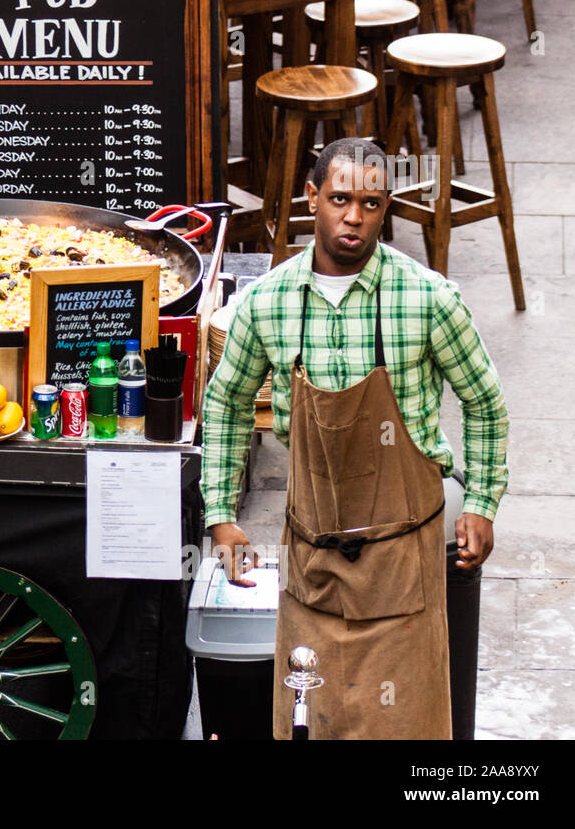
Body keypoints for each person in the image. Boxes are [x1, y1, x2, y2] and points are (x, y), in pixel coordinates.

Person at [201, 137, 510, 739]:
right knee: (312, 721)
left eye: (371, 203)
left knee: (405, 727)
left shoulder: (427, 299)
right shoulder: (268, 303)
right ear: (312, 198)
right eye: (340, 199)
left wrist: (481, 503)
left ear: (385, 205)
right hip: (312, 560)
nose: (354, 217)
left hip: (404, 563)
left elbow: (485, 401)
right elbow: (226, 402)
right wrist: (221, 515)